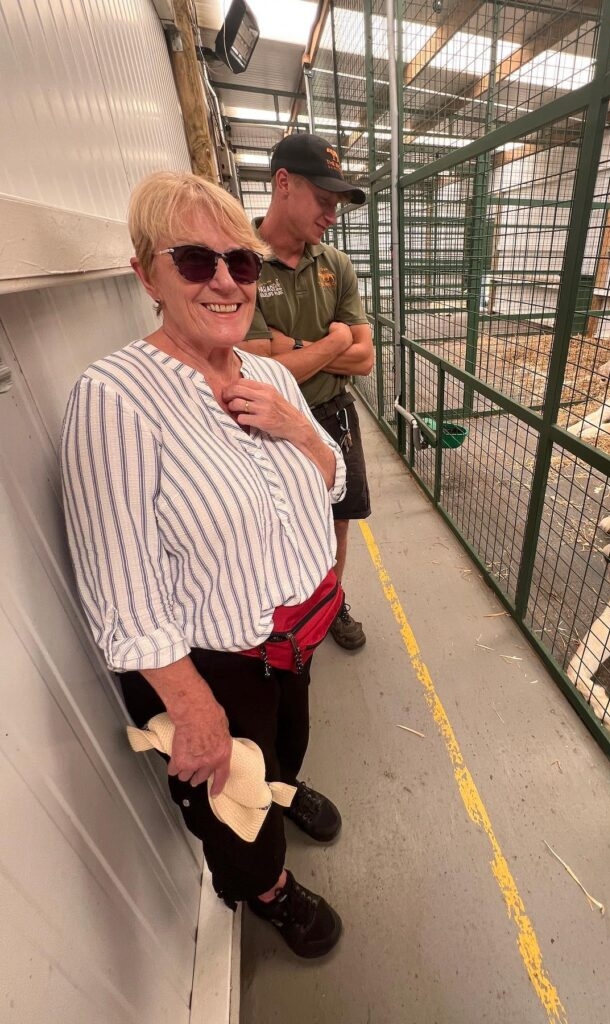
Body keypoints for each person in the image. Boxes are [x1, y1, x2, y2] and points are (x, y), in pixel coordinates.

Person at [60, 171, 347, 959]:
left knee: (285, 748)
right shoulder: (116, 399)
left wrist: (299, 429)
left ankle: (283, 788)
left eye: (241, 262)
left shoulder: (272, 377)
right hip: (216, 661)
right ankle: (266, 890)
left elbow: (336, 482)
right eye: (194, 260)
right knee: (230, 801)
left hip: (292, 636)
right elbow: (120, 585)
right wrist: (190, 707)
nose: (224, 281)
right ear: (146, 273)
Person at [239, 132, 374, 652]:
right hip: (271, 418)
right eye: (324, 201)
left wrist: (292, 347)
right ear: (283, 183)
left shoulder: (335, 264)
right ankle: (279, 606)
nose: (332, 215)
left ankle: (329, 601)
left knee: (339, 515)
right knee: (278, 515)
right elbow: (254, 367)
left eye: (337, 204)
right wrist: (334, 339)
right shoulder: (242, 262)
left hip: (333, 410)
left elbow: (364, 359)